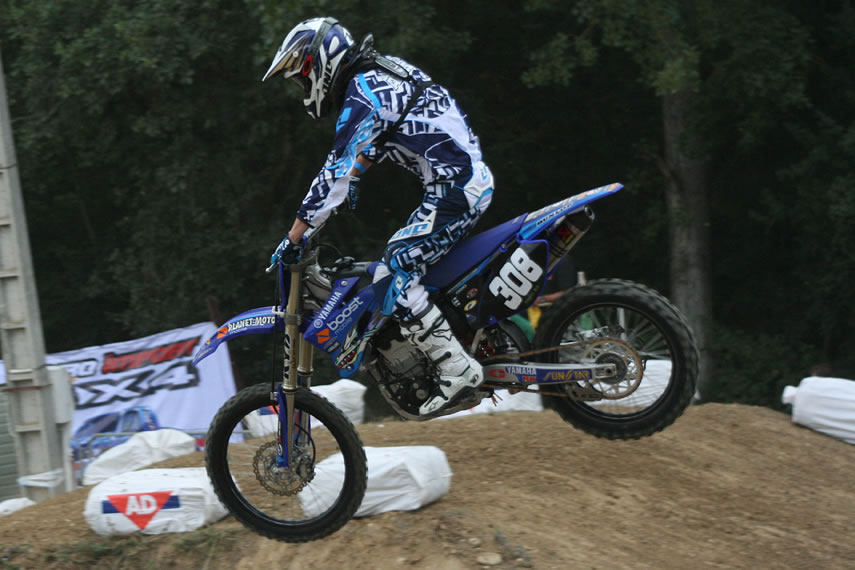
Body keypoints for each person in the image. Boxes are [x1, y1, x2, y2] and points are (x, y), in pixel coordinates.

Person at [263, 17, 494, 415]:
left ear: (321, 62)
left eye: (303, 77)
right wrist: (356, 174)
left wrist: (294, 236)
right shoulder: (380, 72)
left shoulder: (364, 94)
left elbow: (333, 173)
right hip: (460, 182)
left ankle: (456, 368)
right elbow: (386, 134)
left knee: (395, 269)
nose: (304, 88)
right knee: (411, 267)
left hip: (455, 190)